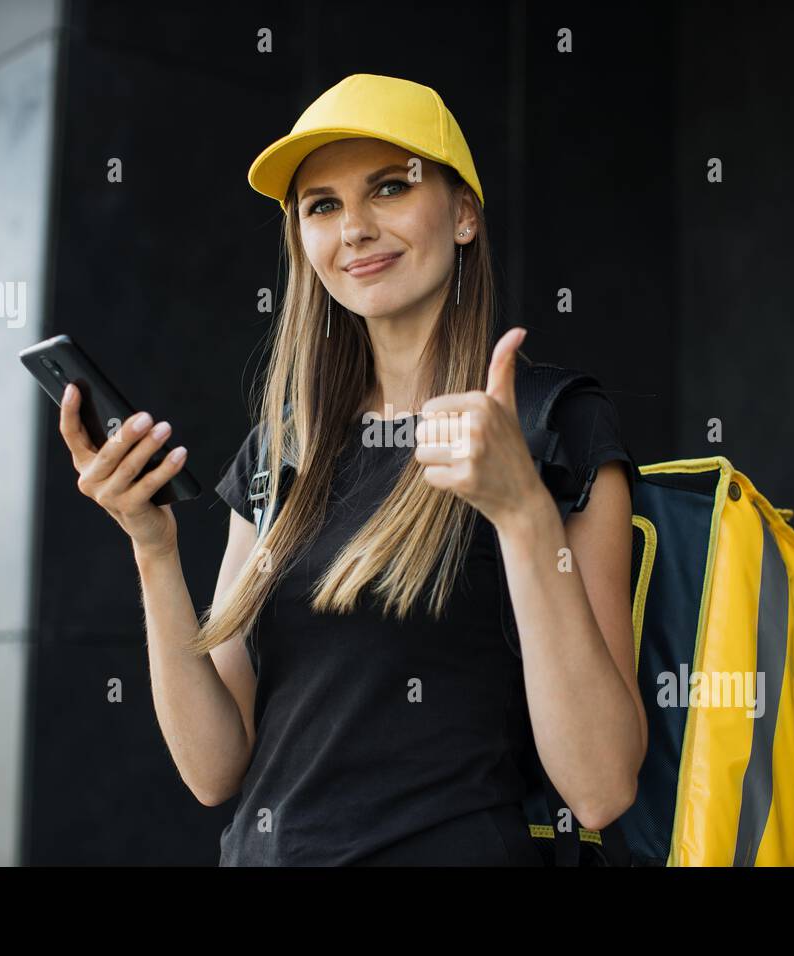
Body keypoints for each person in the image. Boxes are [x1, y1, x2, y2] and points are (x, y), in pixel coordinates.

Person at [57, 73, 648, 866]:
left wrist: (522, 514)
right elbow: (212, 770)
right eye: (322, 206)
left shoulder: (551, 425)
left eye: (391, 188)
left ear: (464, 213)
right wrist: (153, 548)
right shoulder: (281, 450)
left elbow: (601, 785)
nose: (355, 229)